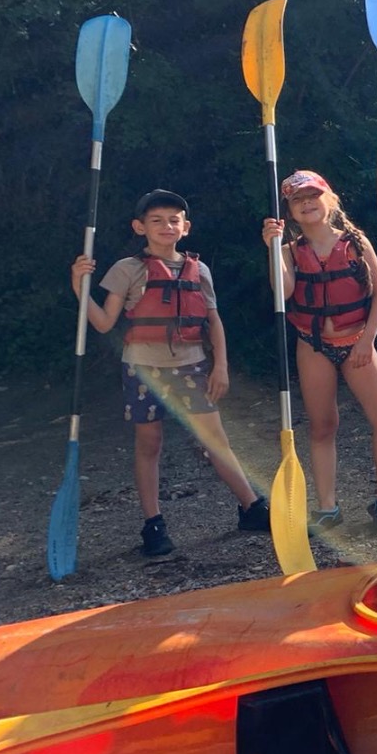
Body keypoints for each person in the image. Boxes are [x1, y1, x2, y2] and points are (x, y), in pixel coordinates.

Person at [70, 189, 269, 556]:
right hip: (144, 368)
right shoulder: (126, 270)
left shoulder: (199, 269)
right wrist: (80, 289)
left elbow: (213, 320)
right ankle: (153, 524)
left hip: (192, 364)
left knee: (216, 441)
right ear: (140, 227)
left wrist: (220, 365)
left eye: (173, 220)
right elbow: (103, 323)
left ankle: (251, 507)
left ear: (186, 227)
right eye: (157, 220)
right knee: (150, 444)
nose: (166, 226)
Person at [261, 170, 377, 535]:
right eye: (297, 199)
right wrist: (273, 249)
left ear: (330, 199)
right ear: (289, 210)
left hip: (357, 342)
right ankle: (326, 507)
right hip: (314, 345)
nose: (306, 203)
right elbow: (284, 292)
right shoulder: (290, 252)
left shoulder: (355, 243)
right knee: (322, 425)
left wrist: (368, 340)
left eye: (312, 195)